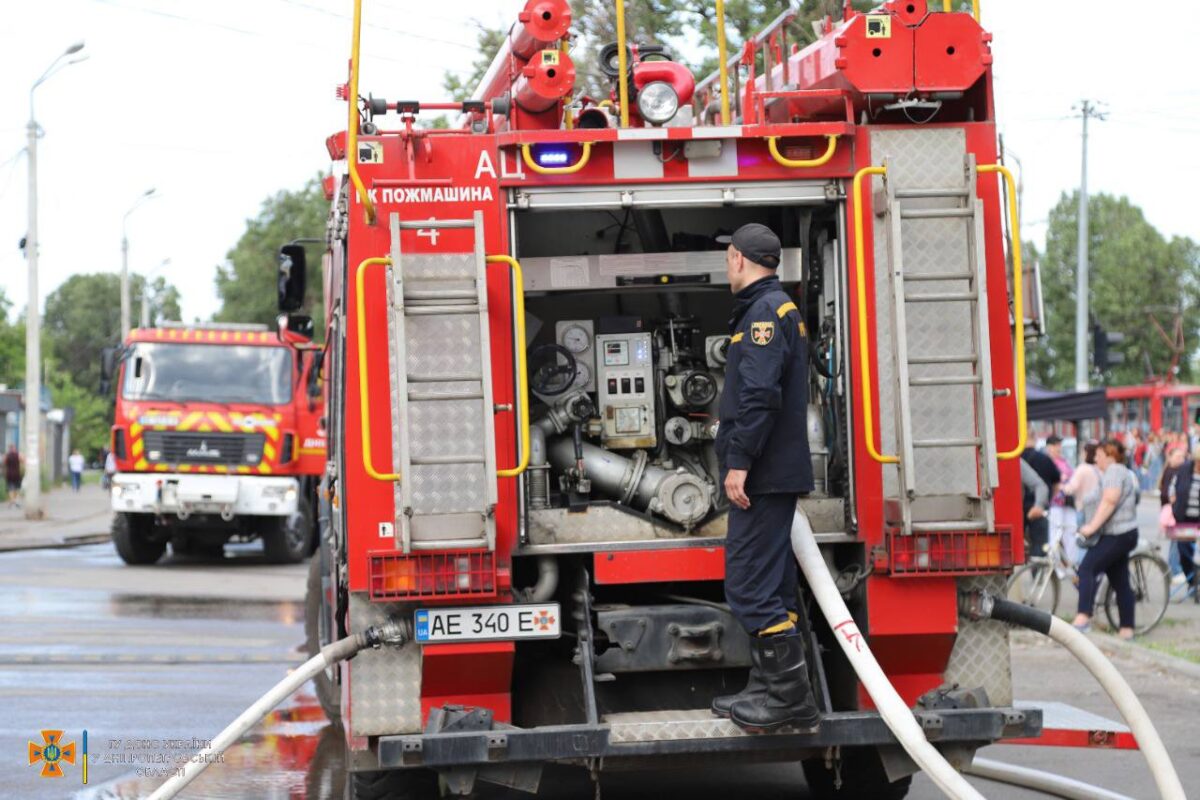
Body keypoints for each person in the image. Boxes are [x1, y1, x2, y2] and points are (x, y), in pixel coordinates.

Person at [711, 222, 819, 733]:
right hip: (775, 475)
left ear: (737, 259)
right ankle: (767, 688)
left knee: (749, 586)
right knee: (773, 586)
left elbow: (759, 396)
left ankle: (789, 701)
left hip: (762, 476)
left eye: (727, 257)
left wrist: (739, 461)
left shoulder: (761, 315)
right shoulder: (779, 308)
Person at [1073, 439, 1140, 639]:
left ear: (1110, 455)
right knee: (1120, 582)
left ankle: (1083, 619)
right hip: (1121, 534)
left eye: (1099, 455)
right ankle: (1127, 630)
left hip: (1117, 534)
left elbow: (1110, 500)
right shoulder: (1115, 472)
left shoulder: (1114, 471)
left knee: (1086, 568)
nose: (1095, 459)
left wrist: (1091, 527)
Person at [1167, 445, 1200, 603]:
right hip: (1184, 519)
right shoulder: (1185, 469)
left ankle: (1196, 583)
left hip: (1198, 521)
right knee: (1183, 550)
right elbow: (1172, 487)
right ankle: (1192, 581)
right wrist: (1174, 505)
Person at [1061, 441, 1101, 567]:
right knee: (1094, 541)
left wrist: (1062, 486)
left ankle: (1083, 569)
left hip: (1082, 509)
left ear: (1086, 453)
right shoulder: (1099, 469)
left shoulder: (1082, 469)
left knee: (1083, 542)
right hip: (1097, 510)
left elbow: (1072, 487)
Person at [1021, 446, 1059, 557]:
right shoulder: (1044, 458)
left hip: (1022, 509)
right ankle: (1038, 573)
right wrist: (1041, 505)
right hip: (1036, 510)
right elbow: (1055, 482)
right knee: (1039, 547)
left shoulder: (1013, 457)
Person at [1045, 435, 1076, 565]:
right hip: (1055, 503)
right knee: (1055, 534)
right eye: (1056, 445)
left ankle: (1072, 563)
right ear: (1049, 447)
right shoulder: (1047, 462)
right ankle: (1055, 566)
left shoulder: (1064, 461)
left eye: (1059, 445)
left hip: (1068, 502)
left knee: (1071, 532)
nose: (1059, 448)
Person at [4, 444, 22, 508]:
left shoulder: (7, 455)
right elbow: (22, 460)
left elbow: (4, 462)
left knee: (10, 489)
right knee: (17, 488)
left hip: (9, 474)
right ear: (15, 448)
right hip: (17, 474)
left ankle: (12, 501)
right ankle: (15, 501)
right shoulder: (18, 455)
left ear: (9, 449)